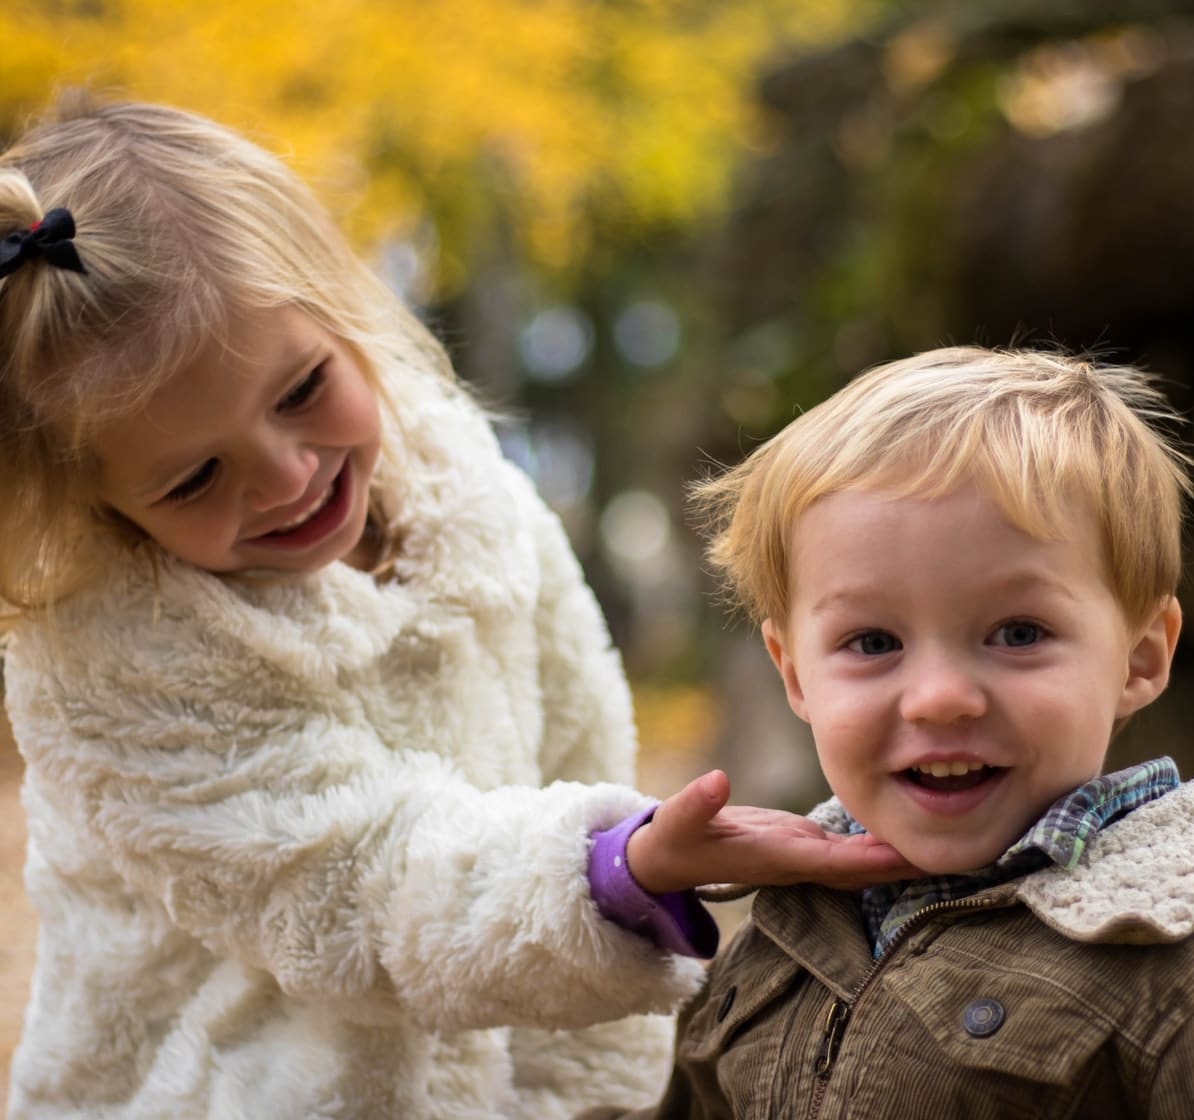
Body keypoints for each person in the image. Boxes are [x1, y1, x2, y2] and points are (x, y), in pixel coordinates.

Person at [0, 96, 912, 1120]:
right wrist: (615, 871)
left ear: (346, 311)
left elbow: (577, 730)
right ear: (97, 502)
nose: (288, 477)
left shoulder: (462, 491)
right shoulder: (112, 659)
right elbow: (352, 893)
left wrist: (598, 1062)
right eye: (195, 478)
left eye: (302, 388)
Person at [581, 346, 1194, 1118]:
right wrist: (619, 879)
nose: (941, 699)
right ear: (795, 673)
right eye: (873, 643)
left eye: (1018, 633)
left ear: (1138, 658)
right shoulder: (784, 933)